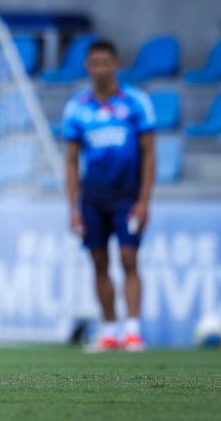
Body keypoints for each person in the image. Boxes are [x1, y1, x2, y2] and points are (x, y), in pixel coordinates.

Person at [62, 38, 156, 352]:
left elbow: (149, 153)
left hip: (127, 196)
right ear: (88, 66)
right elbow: (72, 160)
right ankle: (109, 330)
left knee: (129, 258)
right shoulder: (77, 108)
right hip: (93, 198)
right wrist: (72, 206)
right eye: (95, 63)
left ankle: (133, 331)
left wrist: (144, 201)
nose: (101, 68)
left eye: (106, 62)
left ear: (116, 64)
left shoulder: (136, 103)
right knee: (99, 261)